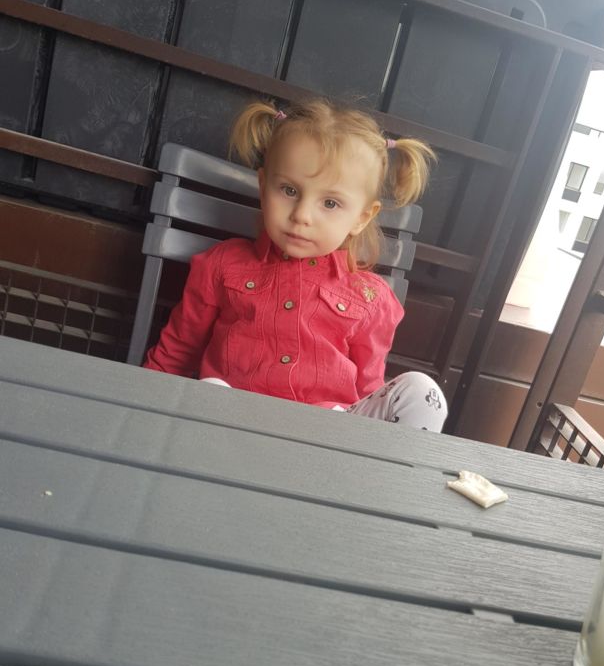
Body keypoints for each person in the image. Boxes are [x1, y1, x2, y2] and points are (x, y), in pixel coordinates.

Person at [144, 98, 447, 432]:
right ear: (264, 187)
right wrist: (137, 415)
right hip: (229, 425)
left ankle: (366, 466)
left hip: (324, 436)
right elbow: (177, 351)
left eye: (330, 203)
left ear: (362, 217)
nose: (302, 215)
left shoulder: (371, 298)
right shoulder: (222, 265)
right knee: (210, 390)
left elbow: (367, 388)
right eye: (289, 190)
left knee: (423, 392)